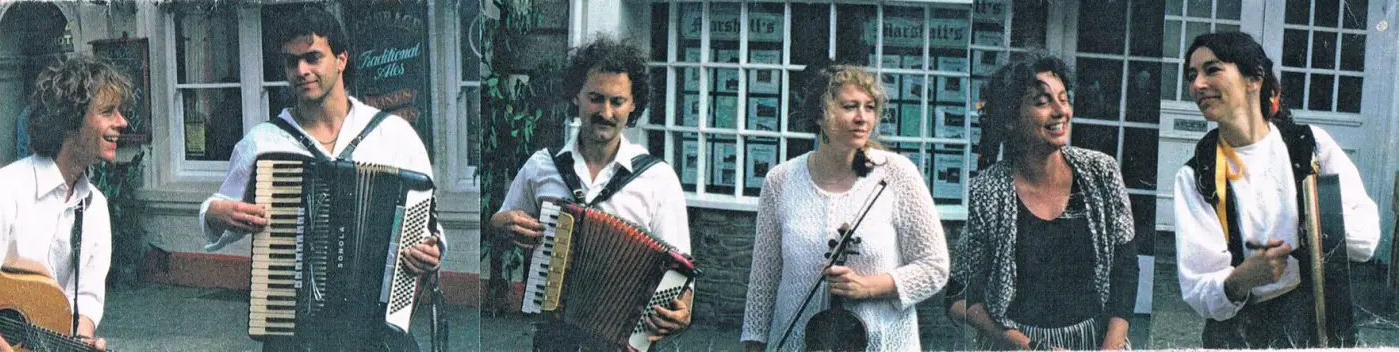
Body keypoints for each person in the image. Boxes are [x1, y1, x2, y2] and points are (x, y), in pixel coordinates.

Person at [197, 6, 444, 350]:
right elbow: (219, 208)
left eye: (313, 57)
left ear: (341, 59)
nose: (301, 70)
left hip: (376, 332)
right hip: (294, 333)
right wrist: (215, 212)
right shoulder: (264, 142)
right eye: (291, 61)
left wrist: (430, 251)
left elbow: (432, 230)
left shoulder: (395, 136)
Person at [1172, 31, 1379, 349]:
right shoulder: (1196, 175)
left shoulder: (1311, 146)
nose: (1197, 84)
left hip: (1317, 323)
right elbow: (1199, 287)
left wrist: (1310, 224)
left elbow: (1366, 240)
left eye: (1212, 70)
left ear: (1254, 79)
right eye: (1192, 75)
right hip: (1239, 335)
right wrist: (1243, 278)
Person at [488, 36, 693, 351]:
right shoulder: (541, 167)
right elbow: (502, 225)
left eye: (618, 101)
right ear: (575, 97)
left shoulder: (658, 178)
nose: (606, 112)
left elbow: (679, 270)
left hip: (623, 341)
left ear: (634, 104)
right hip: (554, 340)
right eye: (596, 98)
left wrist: (681, 309)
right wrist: (500, 225)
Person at [741, 64, 949, 351]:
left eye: (869, 107)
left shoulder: (896, 174)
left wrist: (869, 287)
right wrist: (753, 342)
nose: (862, 118)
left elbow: (935, 267)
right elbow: (764, 277)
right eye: (850, 106)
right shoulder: (780, 181)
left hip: (881, 343)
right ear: (819, 115)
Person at [0, 56, 129, 351]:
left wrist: (80, 344)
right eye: (107, 111)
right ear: (71, 120)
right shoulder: (4, 191)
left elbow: (86, 295)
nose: (121, 122)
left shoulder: (94, 206)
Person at [950, 55, 1138, 350]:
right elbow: (959, 297)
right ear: (1011, 118)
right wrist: (1027, 346)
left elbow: (1125, 268)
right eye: (1042, 102)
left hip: (1095, 342)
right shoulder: (987, 192)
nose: (1061, 111)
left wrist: (1112, 344)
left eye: (1064, 99)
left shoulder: (1102, 172)